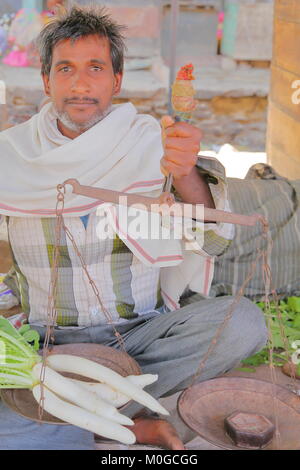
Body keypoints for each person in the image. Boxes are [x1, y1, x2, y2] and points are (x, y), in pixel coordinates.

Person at [0, 5, 267, 450]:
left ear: (116, 81)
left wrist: (183, 175)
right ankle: (127, 422)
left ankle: (76, 418)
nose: (81, 84)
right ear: (46, 81)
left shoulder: (152, 145)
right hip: (48, 342)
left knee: (243, 322)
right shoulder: (11, 159)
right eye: (65, 69)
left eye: (96, 68)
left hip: (139, 335)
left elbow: (214, 240)